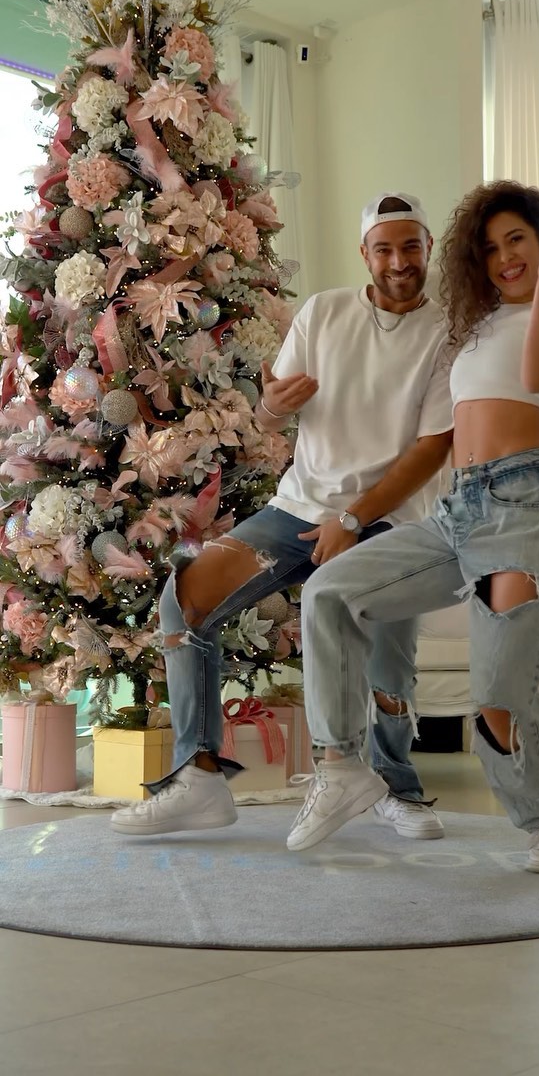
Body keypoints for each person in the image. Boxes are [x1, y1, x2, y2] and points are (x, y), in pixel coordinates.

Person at [111, 192, 453, 838]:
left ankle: (394, 787)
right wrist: (271, 405)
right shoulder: (324, 313)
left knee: (387, 658)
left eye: (411, 246)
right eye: (384, 249)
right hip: (297, 507)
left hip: (389, 519)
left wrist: (352, 521)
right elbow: (271, 416)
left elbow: (433, 448)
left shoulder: (446, 333)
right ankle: (198, 778)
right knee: (186, 599)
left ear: (429, 247)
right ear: (364, 254)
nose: (399, 261)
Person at [287, 180, 539, 874]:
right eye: (489, 248)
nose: (504, 257)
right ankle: (341, 767)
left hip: (526, 515)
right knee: (329, 592)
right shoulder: (476, 326)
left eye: (517, 240)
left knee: (497, 697)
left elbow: (537, 374)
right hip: (458, 511)